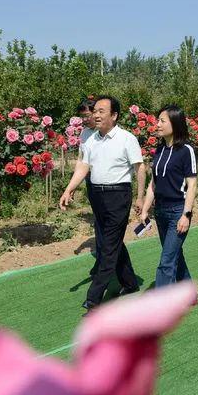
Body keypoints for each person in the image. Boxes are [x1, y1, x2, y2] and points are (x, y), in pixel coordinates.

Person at [59, 96, 146, 315]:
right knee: (111, 241)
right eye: (94, 111)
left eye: (101, 111)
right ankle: (130, 282)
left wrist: (140, 197)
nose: (95, 115)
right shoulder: (91, 139)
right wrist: (69, 188)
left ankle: (94, 298)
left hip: (118, 195)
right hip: (97, 195)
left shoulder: (127, 138)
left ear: (114, 115)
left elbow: (140, 168)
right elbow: (83, 167)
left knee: (107, 247)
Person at [139, 106, 198, 287]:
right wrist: (145, 210)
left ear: (175, 123)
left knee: (166, 261)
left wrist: (186, 215)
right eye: (158, 120)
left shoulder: (186, 150)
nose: (157, 124)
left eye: (162, 121)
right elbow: (153, 184)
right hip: (161, 211)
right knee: (173, 254)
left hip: (178, 211)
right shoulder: (160, 150)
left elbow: (192, 184)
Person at [76, 99, 101, 275]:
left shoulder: (105, 132)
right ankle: (103, 258)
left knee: (106, 225)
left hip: (108, 183)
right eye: (82, 117)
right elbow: (80, 159)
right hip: (91, 181)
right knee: (99, 221)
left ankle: (104, 262)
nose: (84, 120)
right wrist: (73, 185)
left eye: (86, 116)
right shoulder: (84, 134)